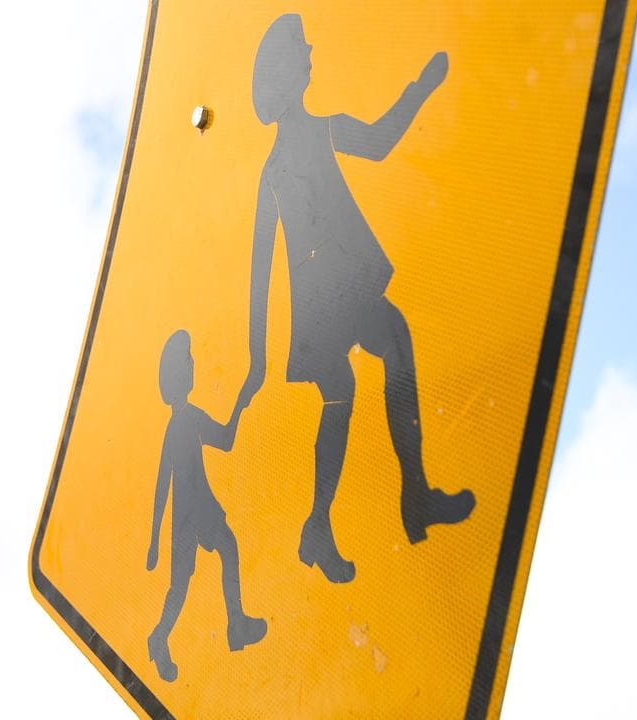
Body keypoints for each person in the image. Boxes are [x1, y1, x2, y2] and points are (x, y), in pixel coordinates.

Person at [237, 14, 475, 585]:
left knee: (357, 379)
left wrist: (421, 88)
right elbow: (258, 268)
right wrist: (255, 365)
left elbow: (382, 140)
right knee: (365, 368)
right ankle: (381, 506)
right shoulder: (274, 172)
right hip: (327, 300)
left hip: (339, 290)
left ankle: (338, 519)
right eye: (303, 52)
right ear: (286, 75)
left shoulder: (324, 132)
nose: (313, 57)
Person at [147, 330, 267, 682]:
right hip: (196, 513)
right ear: (179, 375)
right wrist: (242, 399)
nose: (193, 364)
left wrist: (156, 539)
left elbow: (162, 487)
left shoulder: (177, 423)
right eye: (188, 361)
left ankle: (225, 627)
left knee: (195, 576)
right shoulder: (187, 418)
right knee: (217, 558)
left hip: (187, 516)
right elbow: (225, 442)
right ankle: (227, 627)